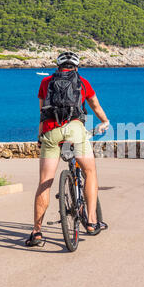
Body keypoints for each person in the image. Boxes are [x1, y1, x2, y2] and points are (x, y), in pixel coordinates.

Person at [26, 51, 110, 247]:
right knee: (90, 171)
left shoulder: (45, 83)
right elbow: (96, 107)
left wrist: (40, 137)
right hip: (75, 130)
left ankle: (37, 232)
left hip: (50, 131)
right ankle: (91, 221)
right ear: (76, 67)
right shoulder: (83, 83)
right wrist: (105, 121)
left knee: (45, 182)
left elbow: (42, 113)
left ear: (58, 67)